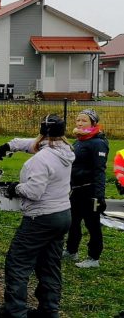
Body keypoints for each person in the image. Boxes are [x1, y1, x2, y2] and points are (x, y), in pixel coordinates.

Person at [0, 114, 74, 318]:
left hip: (40, 218)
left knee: (18, 262)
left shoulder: (40, 160)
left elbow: (34, 192)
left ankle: (15, 311)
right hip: (62, 214)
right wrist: (9, 145)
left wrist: (15, 188)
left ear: (42, 131)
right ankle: (49, 310)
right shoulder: (65, 150)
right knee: (49, 264)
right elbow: (35, 144)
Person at [64, 109, 108, 268]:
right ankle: (71, 250)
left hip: (89, 190)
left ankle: (93, 257)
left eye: (84, 121)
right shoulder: (80, 140)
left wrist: (99, 196)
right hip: (76, 189)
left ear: (93, 123)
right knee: (73, 221)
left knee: (92, 224)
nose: (80, 123)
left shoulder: (98, 143)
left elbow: (99, 171)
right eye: (78, 120)